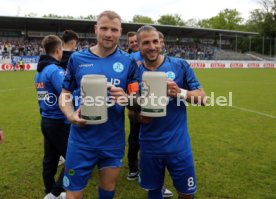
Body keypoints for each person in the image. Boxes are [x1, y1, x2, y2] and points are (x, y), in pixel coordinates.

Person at [59, 10, 138, 199]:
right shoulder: (77, 59)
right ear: (96, 29)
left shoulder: (129, 62)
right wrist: (70, 115)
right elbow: (65, 93)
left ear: (120, 32)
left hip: (112, 141)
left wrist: (128, 99)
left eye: (114, 29)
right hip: (80, 141)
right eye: (104, 28)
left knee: (107, 190)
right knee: (73, 193)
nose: (108, 34)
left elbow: (138, 100)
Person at [134, 25, 206, 199]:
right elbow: (131, 110)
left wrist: (179, 92)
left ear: (161, 42)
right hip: (149, 145)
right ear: (138, 45)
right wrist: (143, 112)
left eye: (155, 41)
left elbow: (203, 98)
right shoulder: (134, 71)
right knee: (154, 190)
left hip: (178, 145)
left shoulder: (179, 65)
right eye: (146, 43)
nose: (151, 47)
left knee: (186, 193)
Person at [127, 30, 173, 198]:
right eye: (132, 42)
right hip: (139, 110)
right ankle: (134, 169)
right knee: (135, 140)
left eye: (156, 41)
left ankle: (158, 184)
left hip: (163, 121)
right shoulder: (130, 62)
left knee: (161, 149)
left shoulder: (167, 63)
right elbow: (131, 95)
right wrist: (139, 109)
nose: (133, 44)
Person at [35, 35, 68, 199]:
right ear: (57, 50)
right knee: (73, 158)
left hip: (46, 120)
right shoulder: (55, 70)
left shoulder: (39, 71)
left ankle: (49, 190)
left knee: (50, 158)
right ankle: (55, 193)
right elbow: (65, 93)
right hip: (58, 121)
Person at [57, 29, 79, 167]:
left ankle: (60, 154)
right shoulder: (77, 58)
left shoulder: (55, 57)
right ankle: (73, 155)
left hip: (55, 98)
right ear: (73, 42)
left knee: (59, 127)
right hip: (72, 97)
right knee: (73, 126)